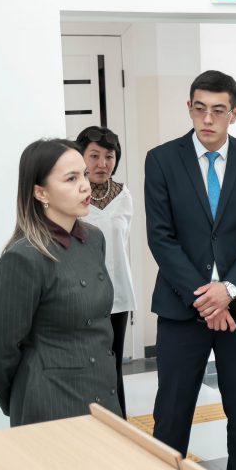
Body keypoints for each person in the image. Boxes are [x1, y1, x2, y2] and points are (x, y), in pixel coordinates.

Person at [0, 138, 120, 470]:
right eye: (71, 178)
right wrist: (25, 400)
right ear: (40, 192)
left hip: (102, 397)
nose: (86, 185)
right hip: (50, 408)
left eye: (84, 175)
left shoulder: (93, 239)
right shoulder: (24, 257)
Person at [144, 70, 236, 470]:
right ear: (189, 108)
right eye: (199, 108)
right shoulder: (162, 160)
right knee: (171, 415)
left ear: (234, 114)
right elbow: (161, 237)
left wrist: (229, 290)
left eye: (218, 110)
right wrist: (205, 298)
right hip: (181, 309)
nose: (207, 119)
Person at [76, 126, 136, 418]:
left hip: (118, 295)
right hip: (82, 295)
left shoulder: (124, 195)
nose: (102, 163)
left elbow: (122, 243)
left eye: (109, 156)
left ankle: (119, 423)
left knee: (113, 365)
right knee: (87, 365)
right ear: (81, 157)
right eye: (94, 156)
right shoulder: (73, 193)